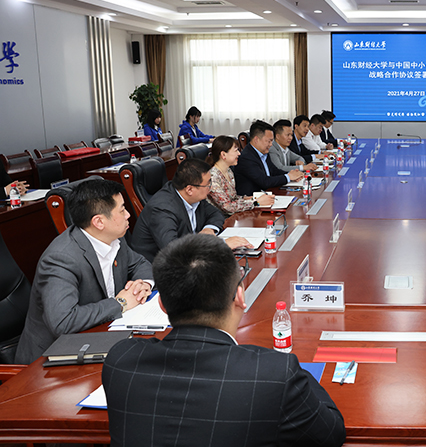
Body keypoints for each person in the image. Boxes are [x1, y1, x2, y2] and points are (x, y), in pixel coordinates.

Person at [103, 234, 346, 447]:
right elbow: (330, 434)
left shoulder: (120, 360)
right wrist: (295, 372)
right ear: (240, 296)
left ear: (162, 305)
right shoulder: (275, 374)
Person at [15, 178, 153, 364]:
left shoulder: (113, 237)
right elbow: (63, 322)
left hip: (99, 337)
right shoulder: (61, 258)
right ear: (99, 222)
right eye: (122, 210)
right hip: (51, 361)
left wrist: (143, 285)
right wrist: (120, 303)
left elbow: (140, 264)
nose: (128, 214)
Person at [131, 158, 250, 262]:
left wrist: (209, 229)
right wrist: (220, 244)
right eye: (208, 184)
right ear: (189, 189)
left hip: (192, 258)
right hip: (163, 269)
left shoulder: (193, 196)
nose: (210, 188)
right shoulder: (162, 209)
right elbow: (173, 250)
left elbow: (215, 214)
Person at [206, 136, 274, 216]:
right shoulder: (213, 177)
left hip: (234, 216)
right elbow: (227, 207)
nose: (239, 153)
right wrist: (256, 202)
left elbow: (233, 198)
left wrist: (250, 198)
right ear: (223, 154)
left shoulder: (228, 171)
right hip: (222, 219)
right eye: (236, 150)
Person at [234, 120, 303, 195]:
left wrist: (292, 174)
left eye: (272, 141)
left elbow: (274, 171)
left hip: (267, 194)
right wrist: (288, 177)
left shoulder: (263, 152)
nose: (271, 144)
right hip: (253, 198)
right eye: (269, 141)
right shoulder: (247, 157)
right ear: (256, 139)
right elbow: (264, 181)